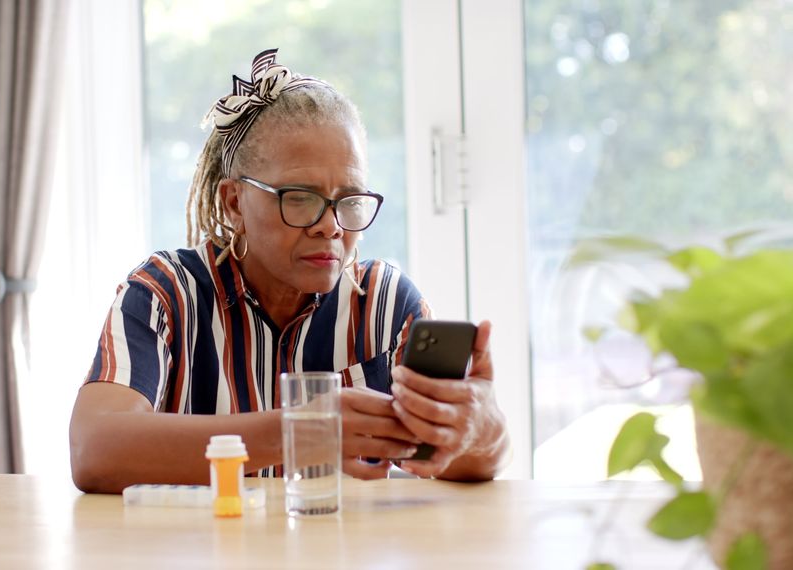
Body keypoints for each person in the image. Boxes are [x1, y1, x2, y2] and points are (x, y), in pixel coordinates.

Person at [69, 49, 509, 494]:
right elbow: (94, 450)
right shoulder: (166, 294)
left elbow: (463, 461)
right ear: (234, 202)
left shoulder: (385, 302)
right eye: (299, 196)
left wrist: (479, 431)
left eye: (349, 199)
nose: (331, 226)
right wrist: (303, 430)